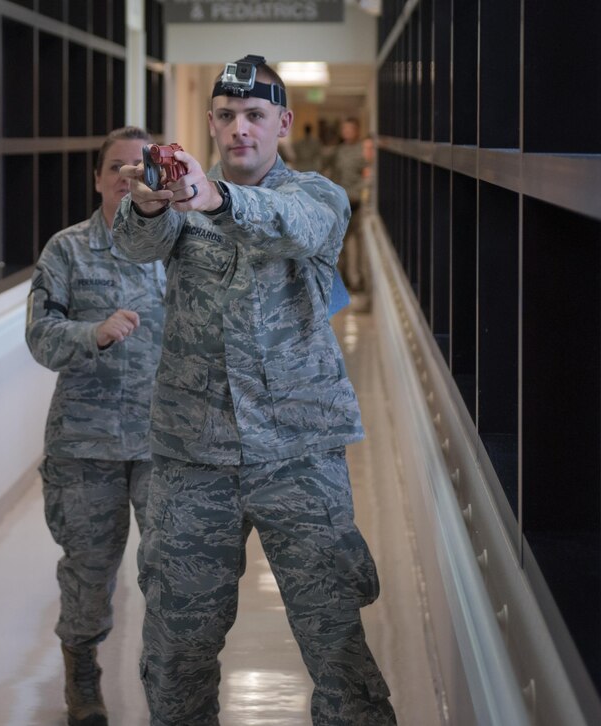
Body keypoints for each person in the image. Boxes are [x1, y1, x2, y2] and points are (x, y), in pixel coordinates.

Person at [112, 56, 397, 725]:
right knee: (177, 648)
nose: (240, 129)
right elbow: (134, 241)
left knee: (337, 648)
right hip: (193, 456)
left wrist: (220, 200)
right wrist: (153, 200)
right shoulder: (183, 202)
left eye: (255, 115)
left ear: (283, 123)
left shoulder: (317, 196)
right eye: (226, 116)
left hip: (299, 453)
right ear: (210, 123)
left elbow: (296, 228)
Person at [26, 126, 166, 726]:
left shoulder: (179, 244)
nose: (127, 177)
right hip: (87, 443)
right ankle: (82, 679)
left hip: (167, 441)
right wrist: (94, 332)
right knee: (88, 569)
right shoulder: (67, 250)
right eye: (116, 167)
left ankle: (169, 685)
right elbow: (39, 336)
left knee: (171, 569)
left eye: (140, 167)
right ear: (98, 178)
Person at [323, 117, 370, 292]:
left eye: (350, 129)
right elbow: (332, 173)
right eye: (345, 129)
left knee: (354, 246)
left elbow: (366, 177)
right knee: (338, 244)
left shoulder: (362, 151)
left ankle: (356, 281)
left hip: (356, 204)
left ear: (357, 130)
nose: (347, 132)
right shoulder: (339, 151)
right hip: (340, 205)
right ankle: (342, 281)